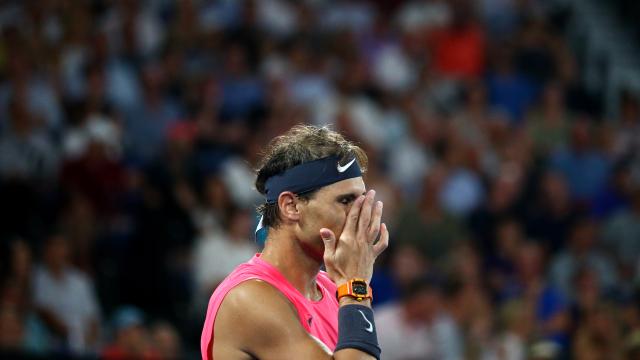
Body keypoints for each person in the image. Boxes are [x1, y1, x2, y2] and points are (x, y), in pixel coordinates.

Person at [201, 125, 389, 359]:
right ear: (291, 206)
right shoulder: (247, 299)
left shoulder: (334, 290)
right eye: (345, 201)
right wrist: (356, 285)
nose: (361, 215)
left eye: (362, 201)